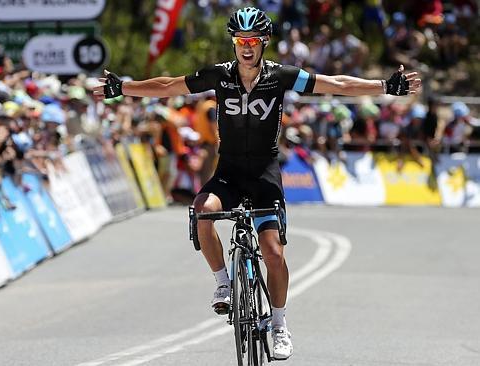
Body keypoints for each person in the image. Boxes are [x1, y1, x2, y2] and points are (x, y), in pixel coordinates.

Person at [93, 7, 421, 360]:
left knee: (273, 253)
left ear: (263, 42)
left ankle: (279, 325)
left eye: (252, 41)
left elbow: (335, 84)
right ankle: (222, 284)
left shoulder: (280, 77)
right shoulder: (219, 76)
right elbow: (169, 85)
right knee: (202, 212)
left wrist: (386, 87)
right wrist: (123, 88)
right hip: (229, 173)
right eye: (239, 41)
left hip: (265, 174)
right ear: (234, 43)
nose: (246, 47)